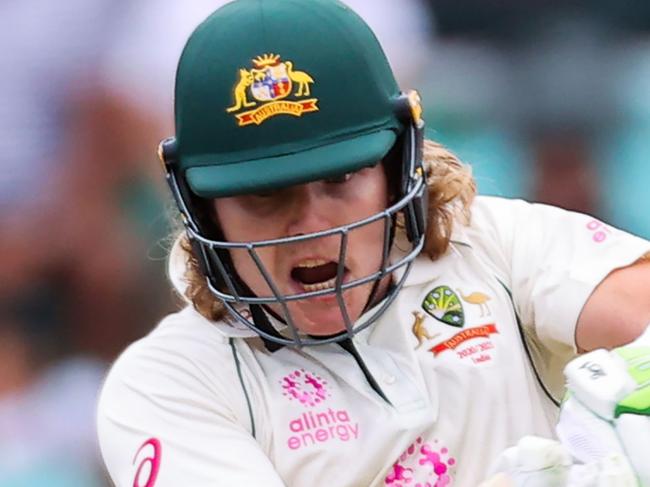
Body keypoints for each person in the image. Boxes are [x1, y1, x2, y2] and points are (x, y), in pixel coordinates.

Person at [96, 1, 650, 486]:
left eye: (339, 180)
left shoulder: (496, 247)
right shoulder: (169, 383)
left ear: (396, 165)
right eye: (264, 193)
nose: (310, 223)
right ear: (201, 206)